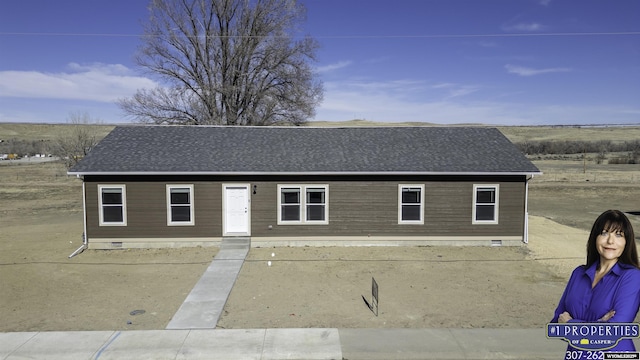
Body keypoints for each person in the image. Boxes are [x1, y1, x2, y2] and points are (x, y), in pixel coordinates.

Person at [551, 209, 640, 355]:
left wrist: (570, 323)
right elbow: (555, 325)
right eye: (604, 233)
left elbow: (613, 332)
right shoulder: (578, 274)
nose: (610, 241)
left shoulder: (632, 277)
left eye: (618, 235)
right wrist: (599, 324)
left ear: (627, 242)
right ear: (595, 238)